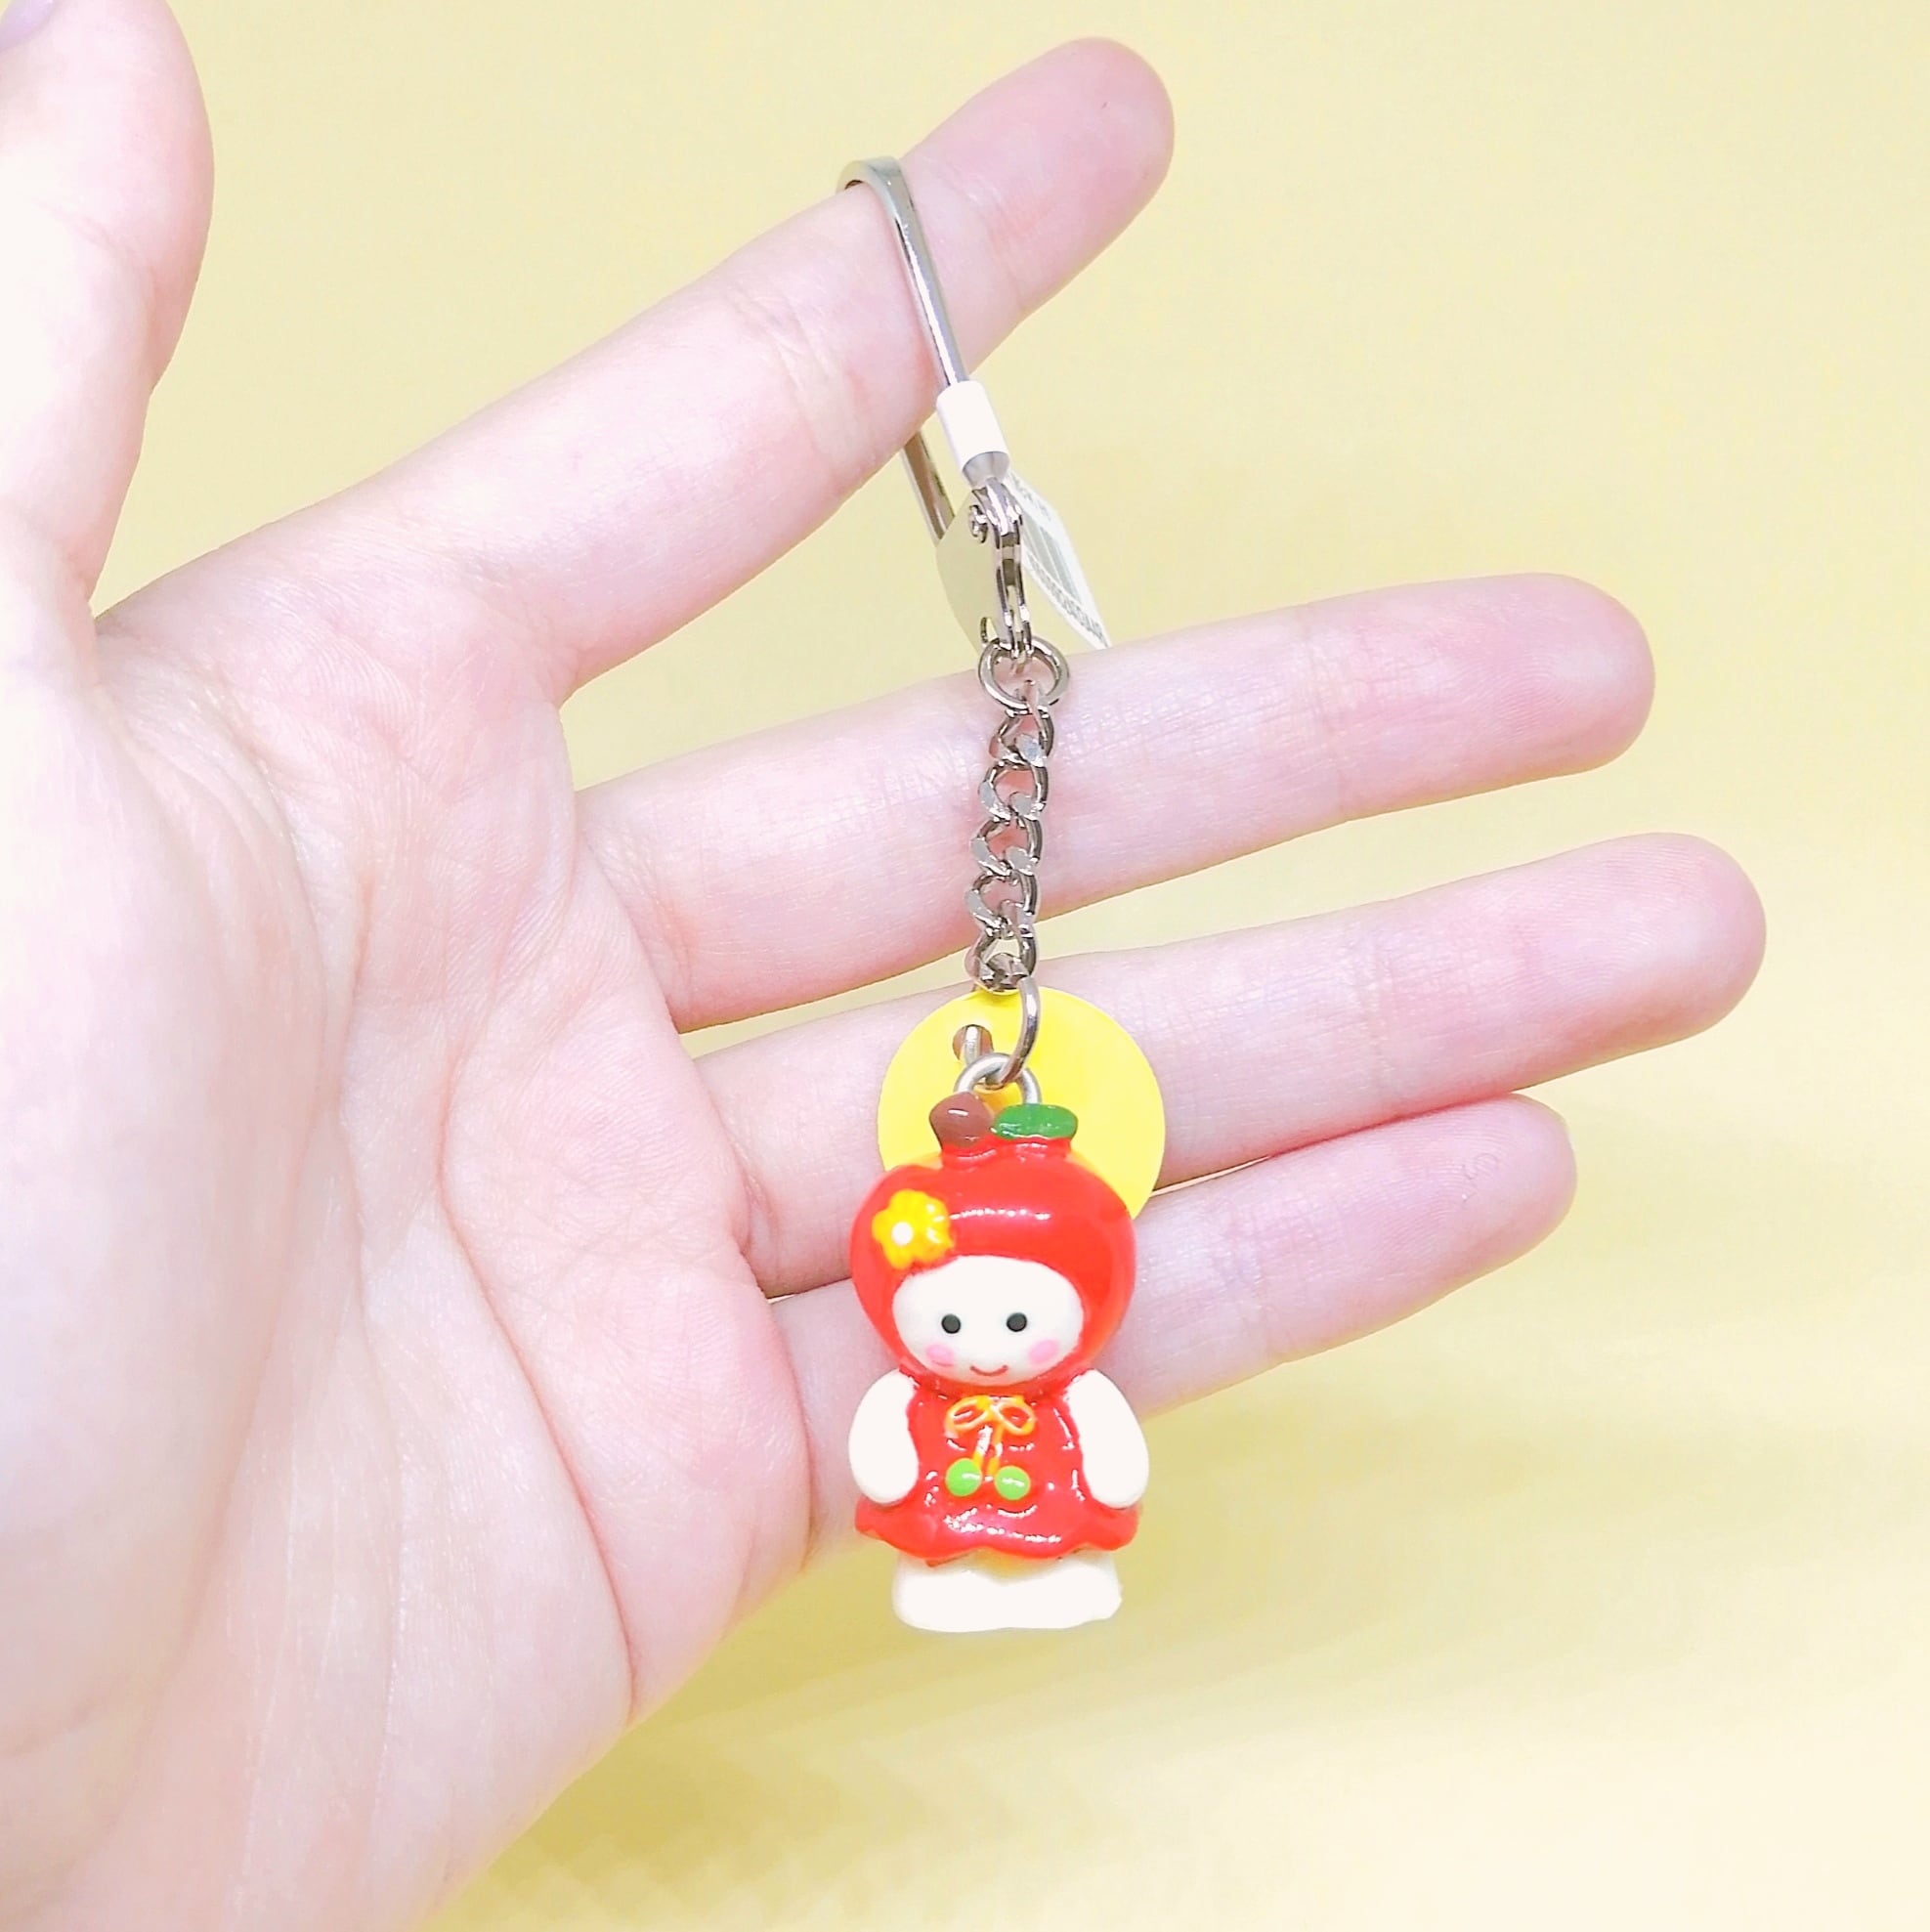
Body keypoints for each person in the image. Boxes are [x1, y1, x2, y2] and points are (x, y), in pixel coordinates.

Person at [0, 4, 1764, 1927]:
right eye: (972, 1314)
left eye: (1003, 1315)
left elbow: (1078, 1415)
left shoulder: (1030, 1363)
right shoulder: (926, 1380)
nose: (985, 1338)